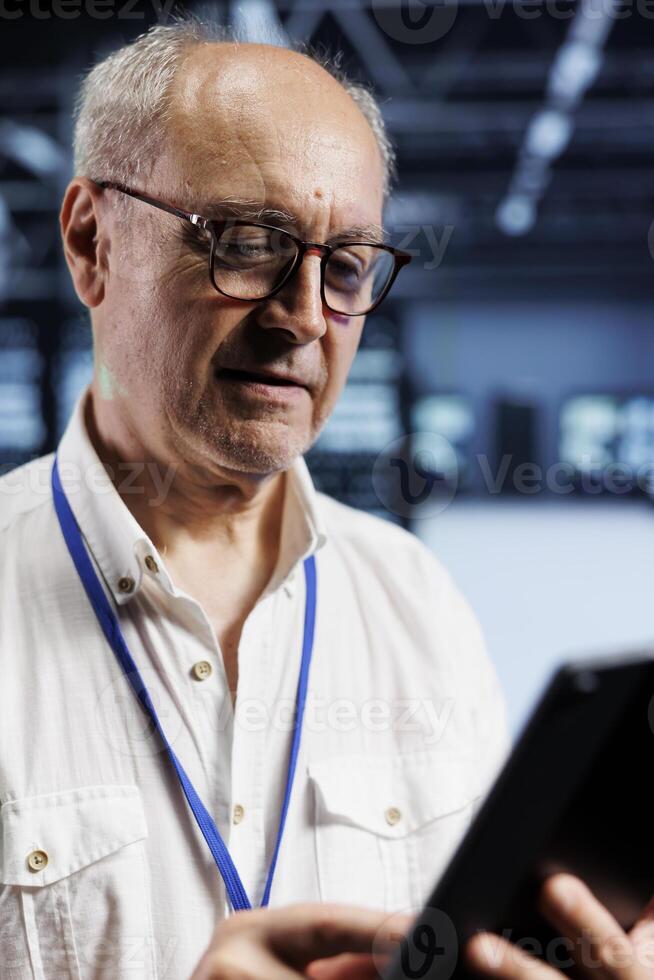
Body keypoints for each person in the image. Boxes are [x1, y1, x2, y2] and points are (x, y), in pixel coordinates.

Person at [2, 14, 650, 980]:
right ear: (93, 242)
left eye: (344, 265)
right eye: (248, 242)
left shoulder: (415, 601)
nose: (306, 316)